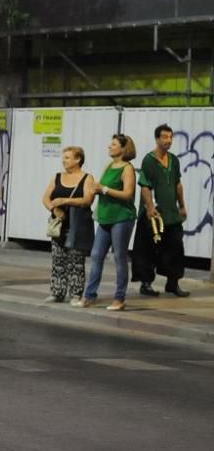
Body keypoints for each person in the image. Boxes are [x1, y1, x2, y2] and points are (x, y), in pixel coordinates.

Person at [77, 134, 137, 312]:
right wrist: (95, 189)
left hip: (121, 218)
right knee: (96, 255)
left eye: (114, 144)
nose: (109, 147)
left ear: (123, 148)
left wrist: (104, 189)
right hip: (104, 217)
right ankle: (89, 296)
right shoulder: (109, 165)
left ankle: (119, 298)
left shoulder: (127, 168)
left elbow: (128, 194)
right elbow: (103, 188)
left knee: (119, 257)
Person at [132, 124, 190, 298]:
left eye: (171, 137)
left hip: (171, 214)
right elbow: (144, 186)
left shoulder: (174, 160)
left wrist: (182, 205)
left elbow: (178, 184)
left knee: (175, 248)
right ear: (157, 139)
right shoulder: (149, 160)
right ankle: (146, 284)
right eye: (164, 137)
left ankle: (173, 283)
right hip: (153, 214)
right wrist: (149, 208)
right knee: (147, 249)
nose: (168, 140)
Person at [41, 146, 95, 304]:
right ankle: (57, 292)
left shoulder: (87, 178)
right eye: (63, 157)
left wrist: (65, 200)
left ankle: (76, 293)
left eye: (68, 157)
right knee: (58, 259)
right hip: (59, 225)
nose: (64, 160)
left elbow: (87, 200)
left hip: (78, 224)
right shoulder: (57, 177)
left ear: (78, 159)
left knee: (76, 260)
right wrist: (53, 208)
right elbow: (45, 198)